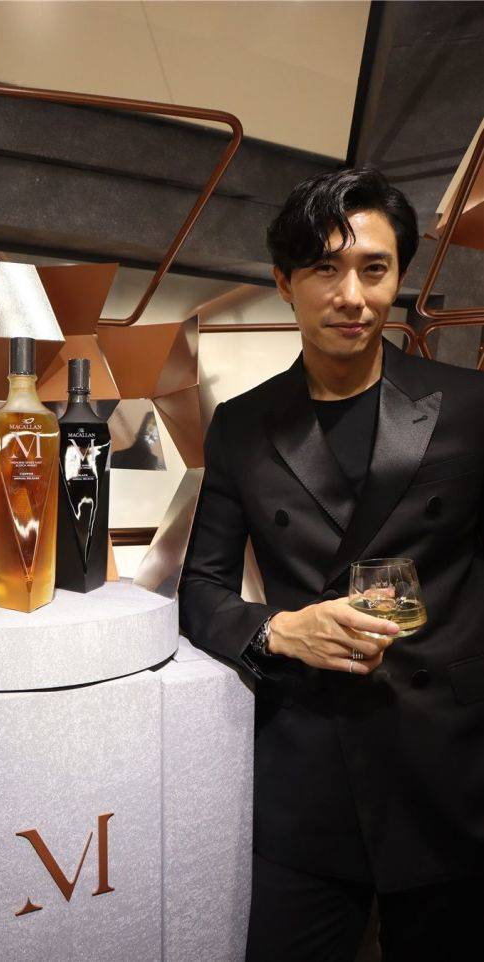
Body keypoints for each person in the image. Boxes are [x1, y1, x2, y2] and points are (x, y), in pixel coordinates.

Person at [179, 168, 484, 962]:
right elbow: (201, 589)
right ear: (284, 282)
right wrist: (279, 631)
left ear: (398, 276)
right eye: (324, 268)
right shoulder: (241, 426)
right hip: (308, 765)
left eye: (373, 269)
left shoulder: (468, 406)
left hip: (449, 767)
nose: (351, 296)